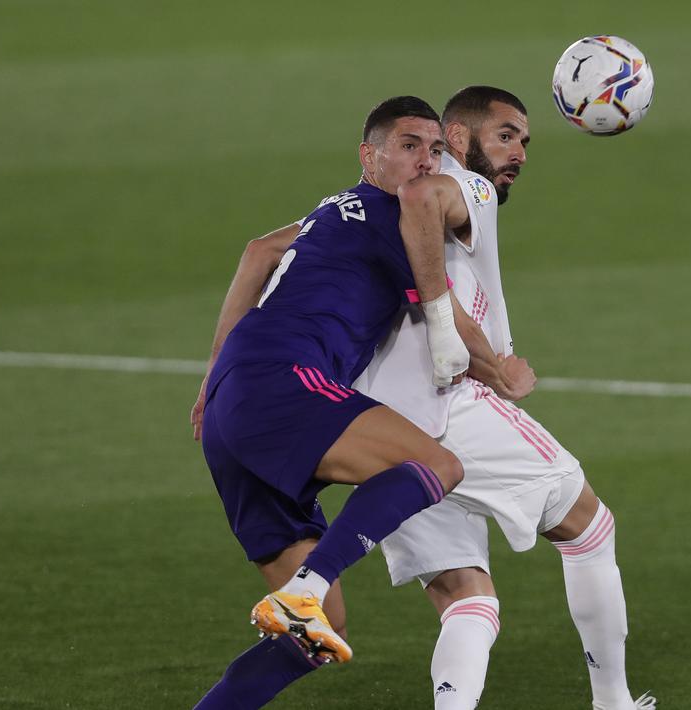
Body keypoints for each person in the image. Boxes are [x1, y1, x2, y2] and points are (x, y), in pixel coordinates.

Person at [214, 86, 654, 709]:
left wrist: (212, 374)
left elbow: (261, 249)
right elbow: (424, 198)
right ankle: (613, 703)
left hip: (372, 426)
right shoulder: (456, 185)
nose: (519, 153)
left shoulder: (354, 203)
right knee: (589, 528)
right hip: (446, 412)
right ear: (459, 140)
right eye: (505, 136)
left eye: (525, 141)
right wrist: (487, 361)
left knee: (464, 597)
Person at [190, 96, 473, 709]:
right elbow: (436, 301)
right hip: (282, 380)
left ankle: (297, 606)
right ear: (369, 157)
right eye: (408, 146)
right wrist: (499, 366)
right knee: (436, 466)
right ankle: (306, 585)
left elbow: (258, 251)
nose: (426, 161)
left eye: (435, 149)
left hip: (235, 401)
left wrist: (215, 370)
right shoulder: (387, 214)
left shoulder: (332, 208)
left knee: (320, 635)